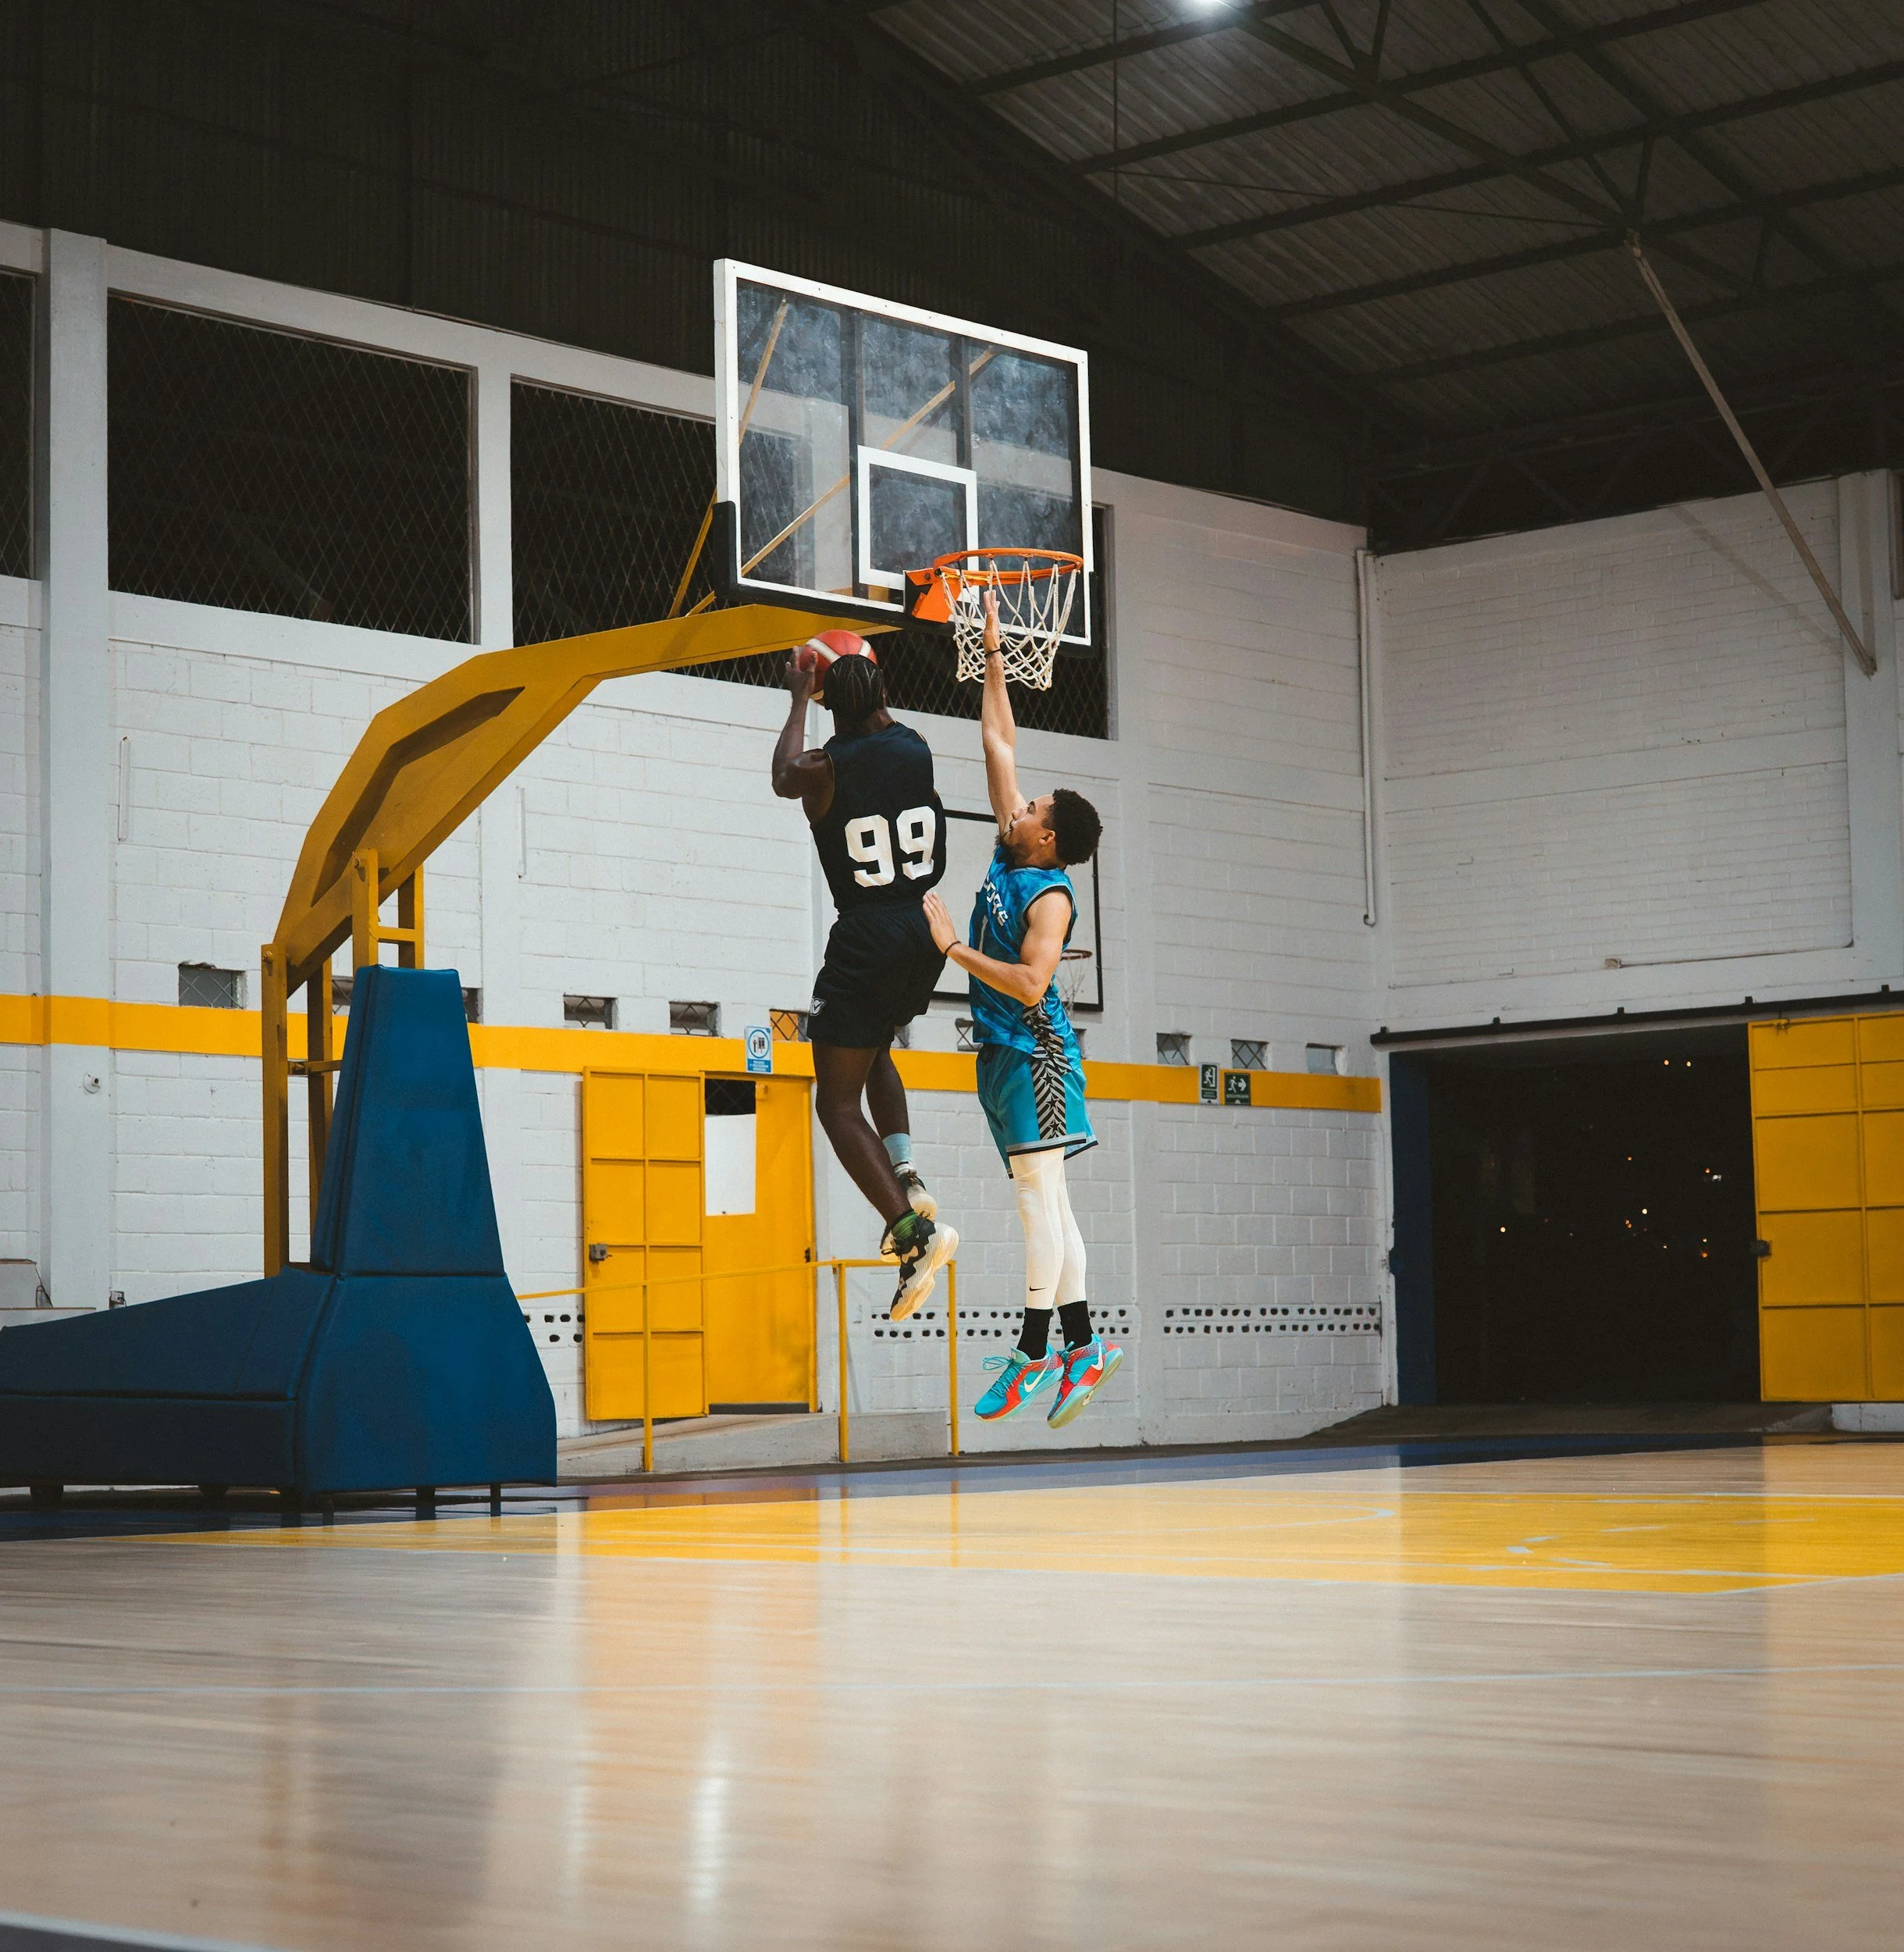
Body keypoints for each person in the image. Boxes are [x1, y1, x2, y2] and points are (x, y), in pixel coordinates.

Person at [922, 593, 1116, 1430]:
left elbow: (1034, 987)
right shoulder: (1012, 841)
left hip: (1036, 1056)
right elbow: (998, 738)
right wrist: (996, 653)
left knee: (1040, 1207)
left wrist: (951, 951)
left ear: (1048, 840)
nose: (1023, 804)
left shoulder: (1052, 897)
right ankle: (1084, 1346)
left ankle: (1036, 1349)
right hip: (1001, 1056)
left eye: (1035, 810)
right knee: (1052, 1208)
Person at [772, 631, 958, 1321]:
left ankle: (914, 1234)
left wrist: (795, 702)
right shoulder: (915, 745)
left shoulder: (823, 767)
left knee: (836, 1104)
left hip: (868, 936)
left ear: (824, 698)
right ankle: (904, 1172)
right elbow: (874, 720)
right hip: (925, 928)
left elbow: (781, 773)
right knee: (876, 1043)